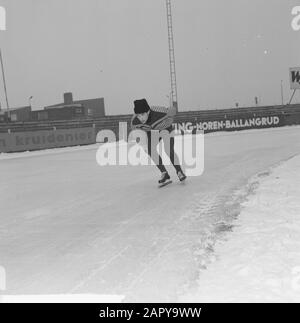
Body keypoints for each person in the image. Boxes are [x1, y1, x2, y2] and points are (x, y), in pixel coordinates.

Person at [131, 98, 186, 185]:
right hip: (153, 132)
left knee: (168, 149)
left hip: (166, 128)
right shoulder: (135, 121)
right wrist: (142, 143)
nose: (140, 118)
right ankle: (164, 173)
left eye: (142, 114)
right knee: (150, 150)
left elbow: (172, 111)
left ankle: (179, 172)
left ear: (148, 112)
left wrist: (172, 111)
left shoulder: (159, 112)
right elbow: (136, 132)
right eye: (138, 115)